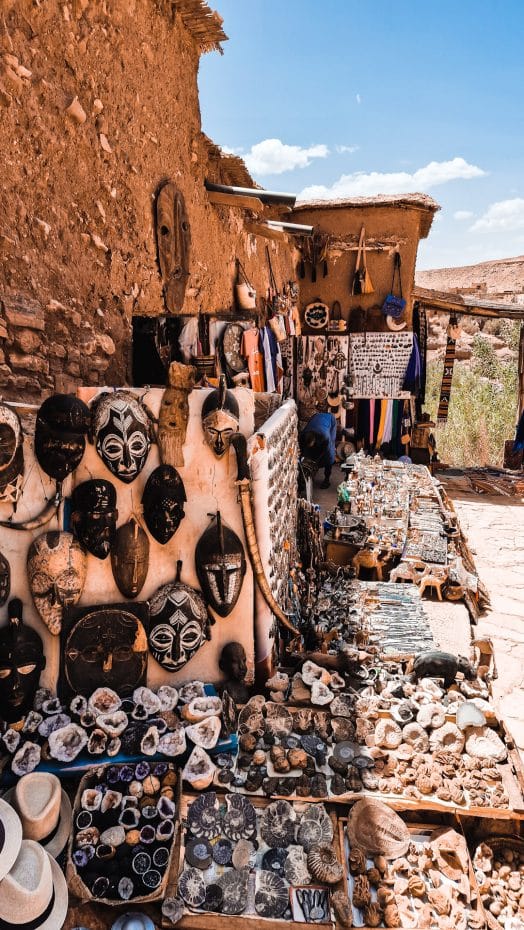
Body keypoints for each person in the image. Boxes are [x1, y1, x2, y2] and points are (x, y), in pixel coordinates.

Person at [299, 411, 337, 489]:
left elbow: (325, 451)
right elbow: (302, 451)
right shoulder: (303, 435)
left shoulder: (325, 436)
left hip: (330, 420)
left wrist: (316, 463)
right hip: (316, 416)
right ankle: (304, 478)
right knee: (309, 454)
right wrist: (304, 462)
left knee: (329, 456)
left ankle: (327, 480)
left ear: (315, 440)